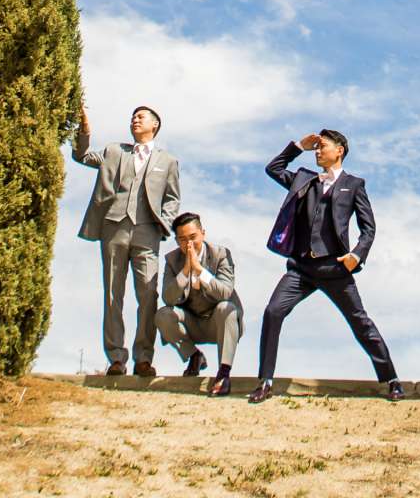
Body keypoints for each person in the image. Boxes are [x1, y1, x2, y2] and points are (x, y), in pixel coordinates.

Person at [246, 129, 402, 402]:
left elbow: (369, 228)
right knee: (273, 312)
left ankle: (391, 379)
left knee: (360, 322)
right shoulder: (304, 179)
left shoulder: (354, 184)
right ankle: (265, 381)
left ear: (339, 150)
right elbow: (273, 168)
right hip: (301, 269)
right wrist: (298, 146)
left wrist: (357, 255)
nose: (318, 151)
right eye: (316, 148)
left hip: (335, 268)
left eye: (323, 146)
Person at [72, 103, 182, 377]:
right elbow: (82, 155)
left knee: (148, 294)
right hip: (113, 227)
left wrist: (163, 225)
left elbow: (172, 198)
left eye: (141, 117)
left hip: (147, 232)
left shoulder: (167, 161)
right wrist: (84, 127)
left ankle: (143, 357)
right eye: (133, 117)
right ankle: (116, 359)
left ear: (154, 125)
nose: (135, 120)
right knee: (112, 294)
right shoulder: (113, 151)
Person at [157, 211, 242, 397]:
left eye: (193, 237)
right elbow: (168, 298)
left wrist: (199, 269)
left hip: (218, 322)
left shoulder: (221, 254)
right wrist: (186, 270)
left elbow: (225, 292)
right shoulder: (172, 260)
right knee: (163, 314)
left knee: (226, 308)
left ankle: (223, 374)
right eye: (182, 239)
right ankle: (194, 356)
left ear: (203, 233)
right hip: (192, 323)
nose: (188, 244)